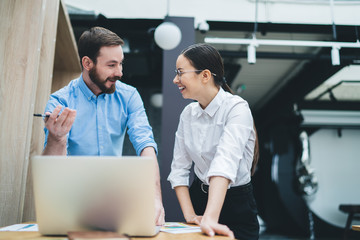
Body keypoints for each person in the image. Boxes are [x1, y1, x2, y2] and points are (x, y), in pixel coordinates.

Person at [42, 26, 165, 225]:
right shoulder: (60, 102)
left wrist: (155, 198)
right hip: (71, 202)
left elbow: (146, 145)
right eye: (111, 65)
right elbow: (52, 171)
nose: (120, 72)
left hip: (114, 201)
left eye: (121, 64)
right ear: (87, 63)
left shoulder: (129, 96)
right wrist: (56, 138)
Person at [167, 43, 260, 239]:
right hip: (199, 198)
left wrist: (211, 217)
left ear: (205, 76)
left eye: (180, 72)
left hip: (236, 203)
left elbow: (224, 163)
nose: (175, 79)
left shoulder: (237, 108)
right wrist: (190, 215)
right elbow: (179, 169)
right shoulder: (188, 114)